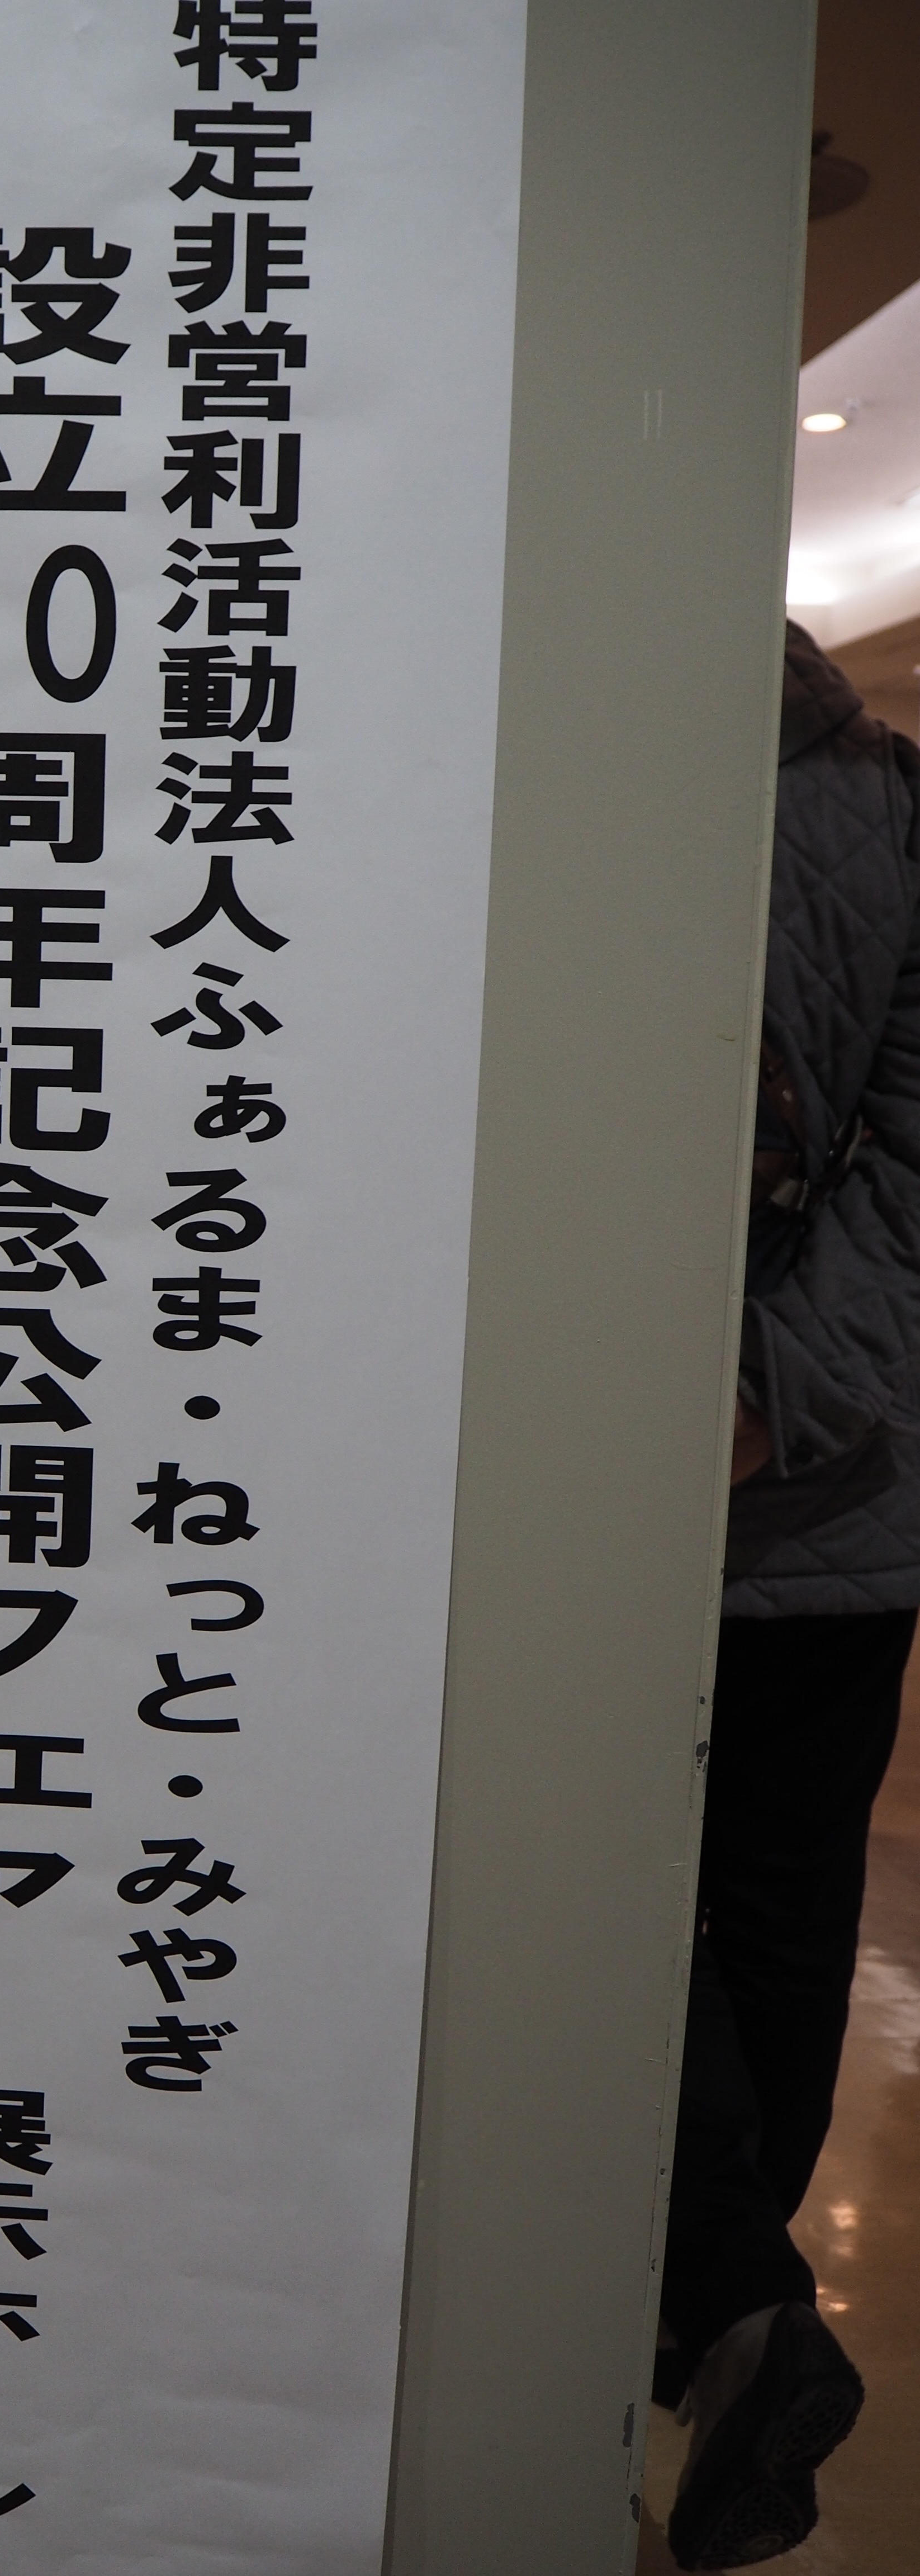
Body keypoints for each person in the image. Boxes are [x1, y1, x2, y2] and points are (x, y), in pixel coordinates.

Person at [658, 621, 920, 2570]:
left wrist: (731, 1407)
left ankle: (729, 2310)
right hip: (842, 1504)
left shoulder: (554, 779)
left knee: (602, 1897)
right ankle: (734, 2326)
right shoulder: (893, 803)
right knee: (773, 1924)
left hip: (652, 1489)